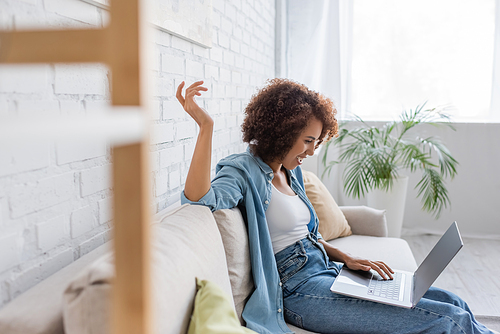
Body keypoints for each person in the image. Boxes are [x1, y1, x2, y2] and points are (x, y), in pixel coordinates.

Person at [176, 78, 494, 334]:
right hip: (298, 289)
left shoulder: (291, 171)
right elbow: (200, 199)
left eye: (316, 141)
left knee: (455, 303)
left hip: (327, 270)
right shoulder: (243, 170)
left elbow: (307, 237)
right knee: (450, 322)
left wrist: (346, 257)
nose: (311, 152)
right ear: (280, 132)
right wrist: (206, 128)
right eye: (307, 141)